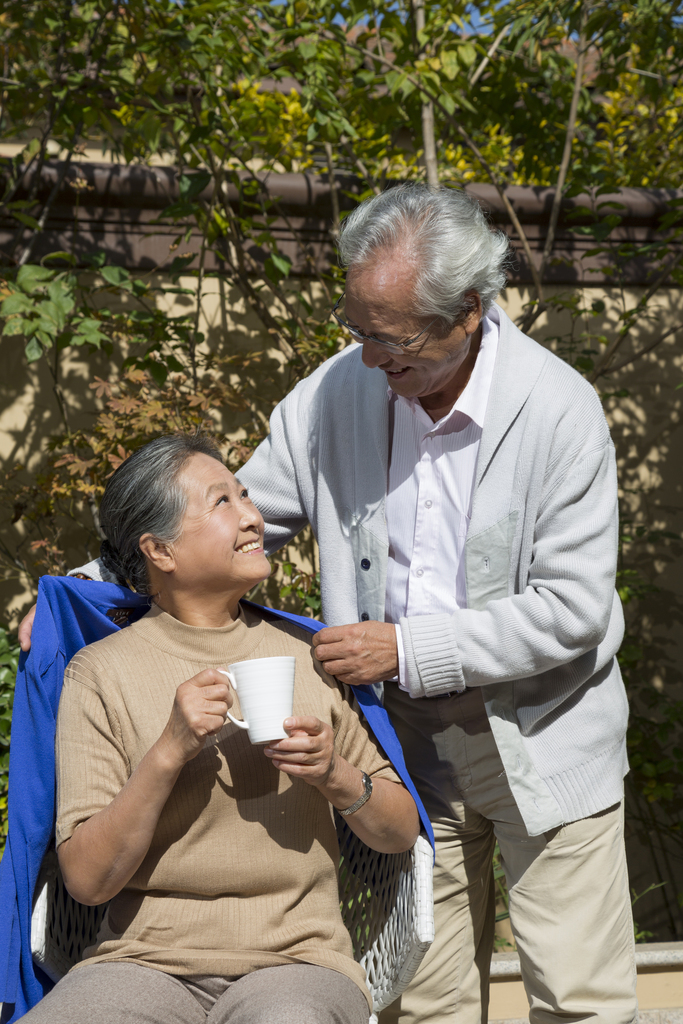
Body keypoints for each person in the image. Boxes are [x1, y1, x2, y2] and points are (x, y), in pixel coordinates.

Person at [20, 183, 637, 1023]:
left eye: (392, 342)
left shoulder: (557, 411)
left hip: (542, 733)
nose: (372, 362)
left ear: (465, 312)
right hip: (409, 746)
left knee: (578, 1000)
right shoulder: (340, 391)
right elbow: (234, 518)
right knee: (426, 1005)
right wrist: (80, 590)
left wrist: (406, 649)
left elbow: (573, 609)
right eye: (357, 332)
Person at [19, 432, 419, 1024]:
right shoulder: (100, 672)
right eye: (222, 502)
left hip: (298, 965)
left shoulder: (312, 654)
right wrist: (168, 752)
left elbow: (399, 833)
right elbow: (86, 881)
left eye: (246, 496)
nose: (254, 517)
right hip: (142, 964)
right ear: (160, 551)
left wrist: (334, 774)